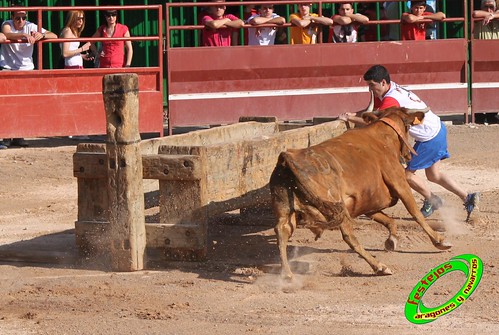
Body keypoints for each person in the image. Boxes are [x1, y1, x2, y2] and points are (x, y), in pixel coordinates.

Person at [340, 65, 479, 221]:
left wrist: (350, 119)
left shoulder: (391, 99)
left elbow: (375, 121)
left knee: (407, 176)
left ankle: (432, 200)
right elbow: (371, 111)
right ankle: (468, 198)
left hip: (429, 137)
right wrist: (353, 114)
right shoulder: (390, 91)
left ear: (383, 82)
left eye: (372, 85)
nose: (370, 90)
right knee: (434, 175)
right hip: (436, 129)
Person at [0, 4, 57, 148]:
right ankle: (6, 137)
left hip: (26, 71)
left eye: (23, 18)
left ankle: (19, 136)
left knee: (23, 104)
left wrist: (41, 35)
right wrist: (23, 35)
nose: (20, 20)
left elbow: (54, 35)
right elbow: (7, 33)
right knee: (8, 105)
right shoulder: (7, 24)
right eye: (17, 18)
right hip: (8, 69)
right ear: (12, 18)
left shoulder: (31, 26)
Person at [472, 0, 499, 124]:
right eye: (486, 7)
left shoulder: (495, 16)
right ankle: (479, 114)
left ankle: (492, 113)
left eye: (491, 7)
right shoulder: (480, 16)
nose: (488, 10)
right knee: (479, 83)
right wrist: (490, 15)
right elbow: (475, 13)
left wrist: (493, 15)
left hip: (496, 56)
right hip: (480, 55)